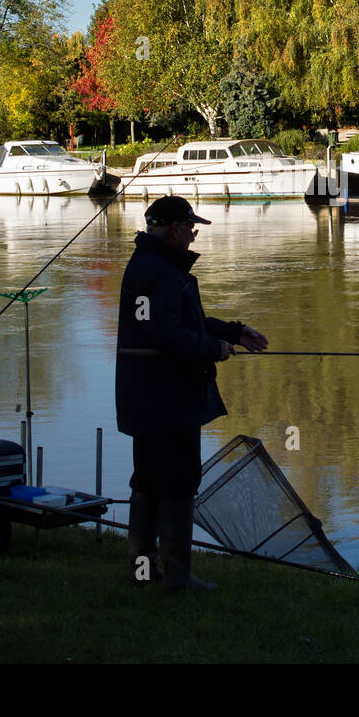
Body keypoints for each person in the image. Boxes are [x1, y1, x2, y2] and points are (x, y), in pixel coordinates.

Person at [115, 195, 268, 590]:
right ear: (175, 229)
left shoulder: (152, 265)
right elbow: (164, 333)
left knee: (147, 482)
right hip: (168, 397)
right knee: (178, 483)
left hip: (149, 396)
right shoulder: (155, 270)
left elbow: (184, 321)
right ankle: (177, 578)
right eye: (190, 229)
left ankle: (144, 572)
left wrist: (233, 332)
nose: (193, 236)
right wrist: (212, 350)